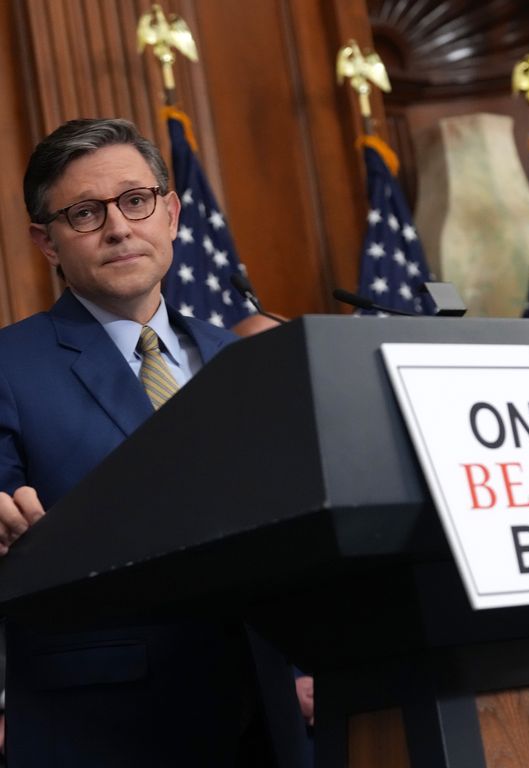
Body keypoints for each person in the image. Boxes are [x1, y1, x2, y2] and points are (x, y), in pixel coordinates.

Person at [0, 118, 307, 766]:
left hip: (270, 713)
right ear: (46, 242)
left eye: (135, 202)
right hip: (101, 724)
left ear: (169, 213)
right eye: (85, 213)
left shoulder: (245, 356)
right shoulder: (10, 365)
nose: (118, 228)